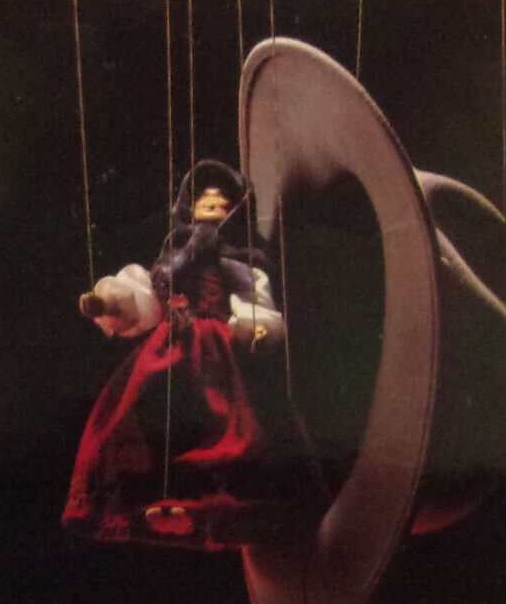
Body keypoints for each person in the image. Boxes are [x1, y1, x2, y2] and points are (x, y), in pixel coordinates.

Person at [62, 161, 319, 547]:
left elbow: (253, 300)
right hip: (170, 344)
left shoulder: (240, 263)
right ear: (188, 206)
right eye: (204, 200)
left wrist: (258, 326)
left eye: (222, 201)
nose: (213, 204)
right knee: (148, 414)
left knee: (233, 423)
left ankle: (213, 504)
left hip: (220, 346)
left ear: (236, 210)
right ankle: (154, 498)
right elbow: (146, 299)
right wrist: (109, 302)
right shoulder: (171, 260)